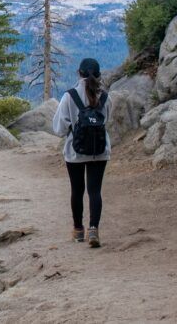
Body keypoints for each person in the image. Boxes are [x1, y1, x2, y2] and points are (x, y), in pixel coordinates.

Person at [51, 57, 110, 248]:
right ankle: (94, 229)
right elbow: (106, 121)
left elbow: (59, 128)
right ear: (99, 75)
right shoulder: (106, 97)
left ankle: (78, 230)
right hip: (99, 151)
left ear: (79, 73)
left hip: (75, 150)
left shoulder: (69, 96)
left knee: (77, 190)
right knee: (95, 191)